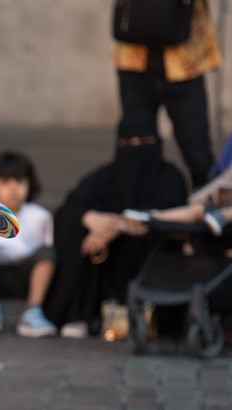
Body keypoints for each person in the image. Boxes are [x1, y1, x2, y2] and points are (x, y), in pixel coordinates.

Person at [43, 117, 188, 338]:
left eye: (144, 141)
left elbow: (171, 213)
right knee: (78, 234)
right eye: (129, 143)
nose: (136, 148)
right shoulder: (104, 177)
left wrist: (117, 227)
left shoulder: (169, 177)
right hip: (104, 261)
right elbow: (71, 206)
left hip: (147, 256)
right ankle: (80, 314)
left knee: (136, 241)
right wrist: (90, 218)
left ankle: (145, 317)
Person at [114, 0, 221, 189]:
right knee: (137, 152)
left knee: (198, 156)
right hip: (134, 61)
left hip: (185, 64)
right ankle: (139, 213)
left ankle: (207, 212)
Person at [0, 150, 57, 337]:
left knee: (47, 254)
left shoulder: (39, 216)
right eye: (6, 182)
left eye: (20, 181)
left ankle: (33, 310)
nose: (13, 188)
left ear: (29, 184)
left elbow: (43, 251)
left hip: (24, 276)